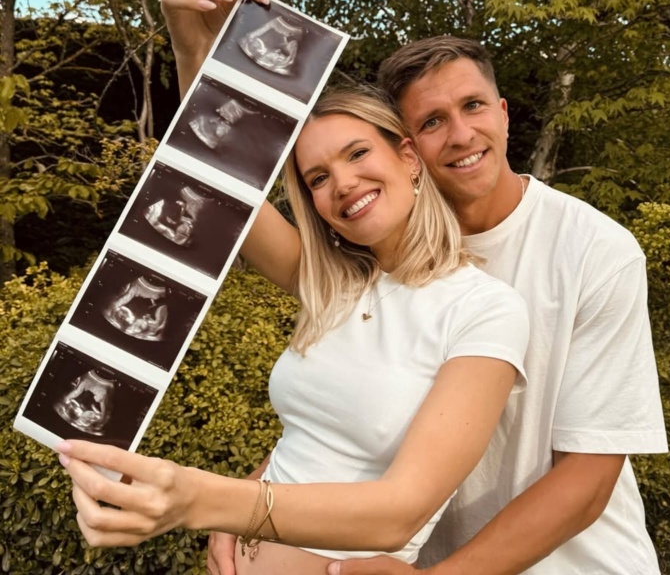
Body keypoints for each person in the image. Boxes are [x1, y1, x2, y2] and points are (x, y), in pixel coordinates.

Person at [161, 0, 669, 574]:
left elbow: (587, 479)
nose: (460, 134)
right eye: (431, 122)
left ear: (504, 114)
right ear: (410, 149)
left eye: (473, 106)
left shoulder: (593, 251)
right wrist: (194, 48)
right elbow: (224, 186)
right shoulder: (364, 267)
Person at [58, 86, 530, 575]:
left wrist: (202, 500)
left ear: (408, 157)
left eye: (357, 153)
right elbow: (219, 168)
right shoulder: (334, 288)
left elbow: (400, 513)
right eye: (318, 178)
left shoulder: (486, 309)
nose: (343, 183)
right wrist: (191, 41)